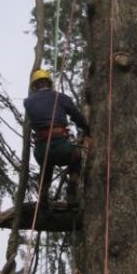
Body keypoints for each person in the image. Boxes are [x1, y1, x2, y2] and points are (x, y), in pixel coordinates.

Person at [24, 69, 90, 206]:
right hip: (59, 144)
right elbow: (76, 116)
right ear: (49, 83)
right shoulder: (60, 97)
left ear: (35, 86)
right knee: (76, 156)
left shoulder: (28, 102)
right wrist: (87, 129)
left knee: (46, 165)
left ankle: (42, 199)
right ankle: (71, 190)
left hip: (40, 150)